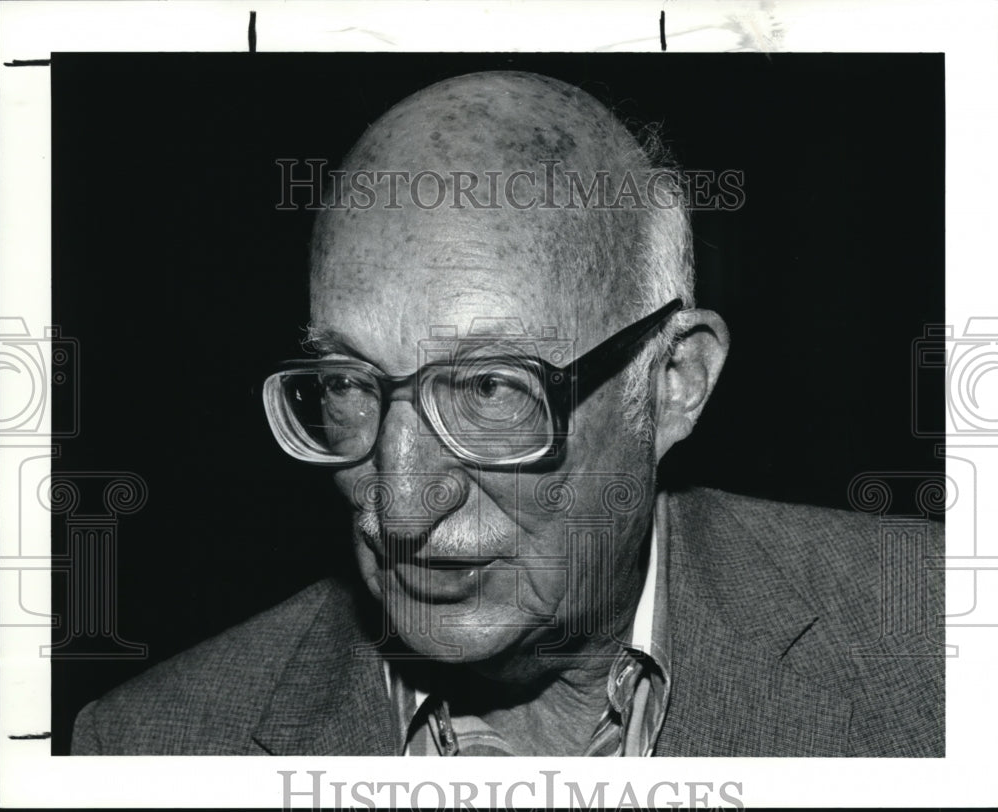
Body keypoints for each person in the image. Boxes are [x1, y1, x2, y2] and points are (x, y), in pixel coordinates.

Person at [71, 70, 943, 757]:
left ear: (674, 379)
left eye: (490, 390)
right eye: (346, 383)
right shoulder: (151, 748)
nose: (401, 506)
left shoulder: (935, 642)